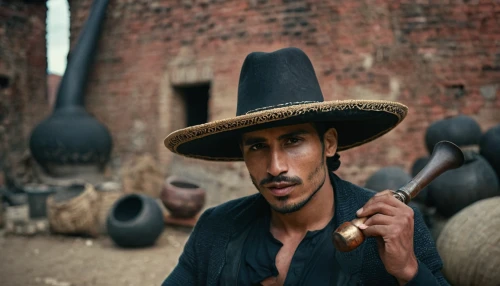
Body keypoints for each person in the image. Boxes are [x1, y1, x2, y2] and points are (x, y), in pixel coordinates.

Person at [161, 47, 448, 285]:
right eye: (258, 146)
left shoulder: (391, 229)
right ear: (242, 153)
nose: (275, 168)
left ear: (330, 143)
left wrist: (409, 270)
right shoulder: (216, 228)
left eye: (293, 141)